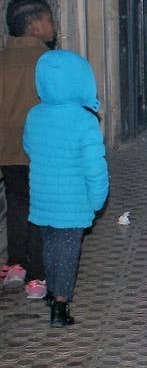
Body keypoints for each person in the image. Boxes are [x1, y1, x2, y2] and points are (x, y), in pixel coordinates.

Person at [23, 49, 108, 328]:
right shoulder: (85, 121)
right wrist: (98, 199)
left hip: (43, 197)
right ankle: (60, 303)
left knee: (49, 247)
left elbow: (29, 147)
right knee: (69, 251)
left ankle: (50, 291)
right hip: (73, 202)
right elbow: (94, 166)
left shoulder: (35, 115)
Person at [1, 0, 55, 300]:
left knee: (17, 203)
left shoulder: (3, 60)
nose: (52, 25)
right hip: (40, 149)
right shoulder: (47, 62)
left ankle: (16, 264)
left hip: (8, 150)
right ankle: (37, 277)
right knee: (41, 209)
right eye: (48, 19)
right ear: (34, 25)